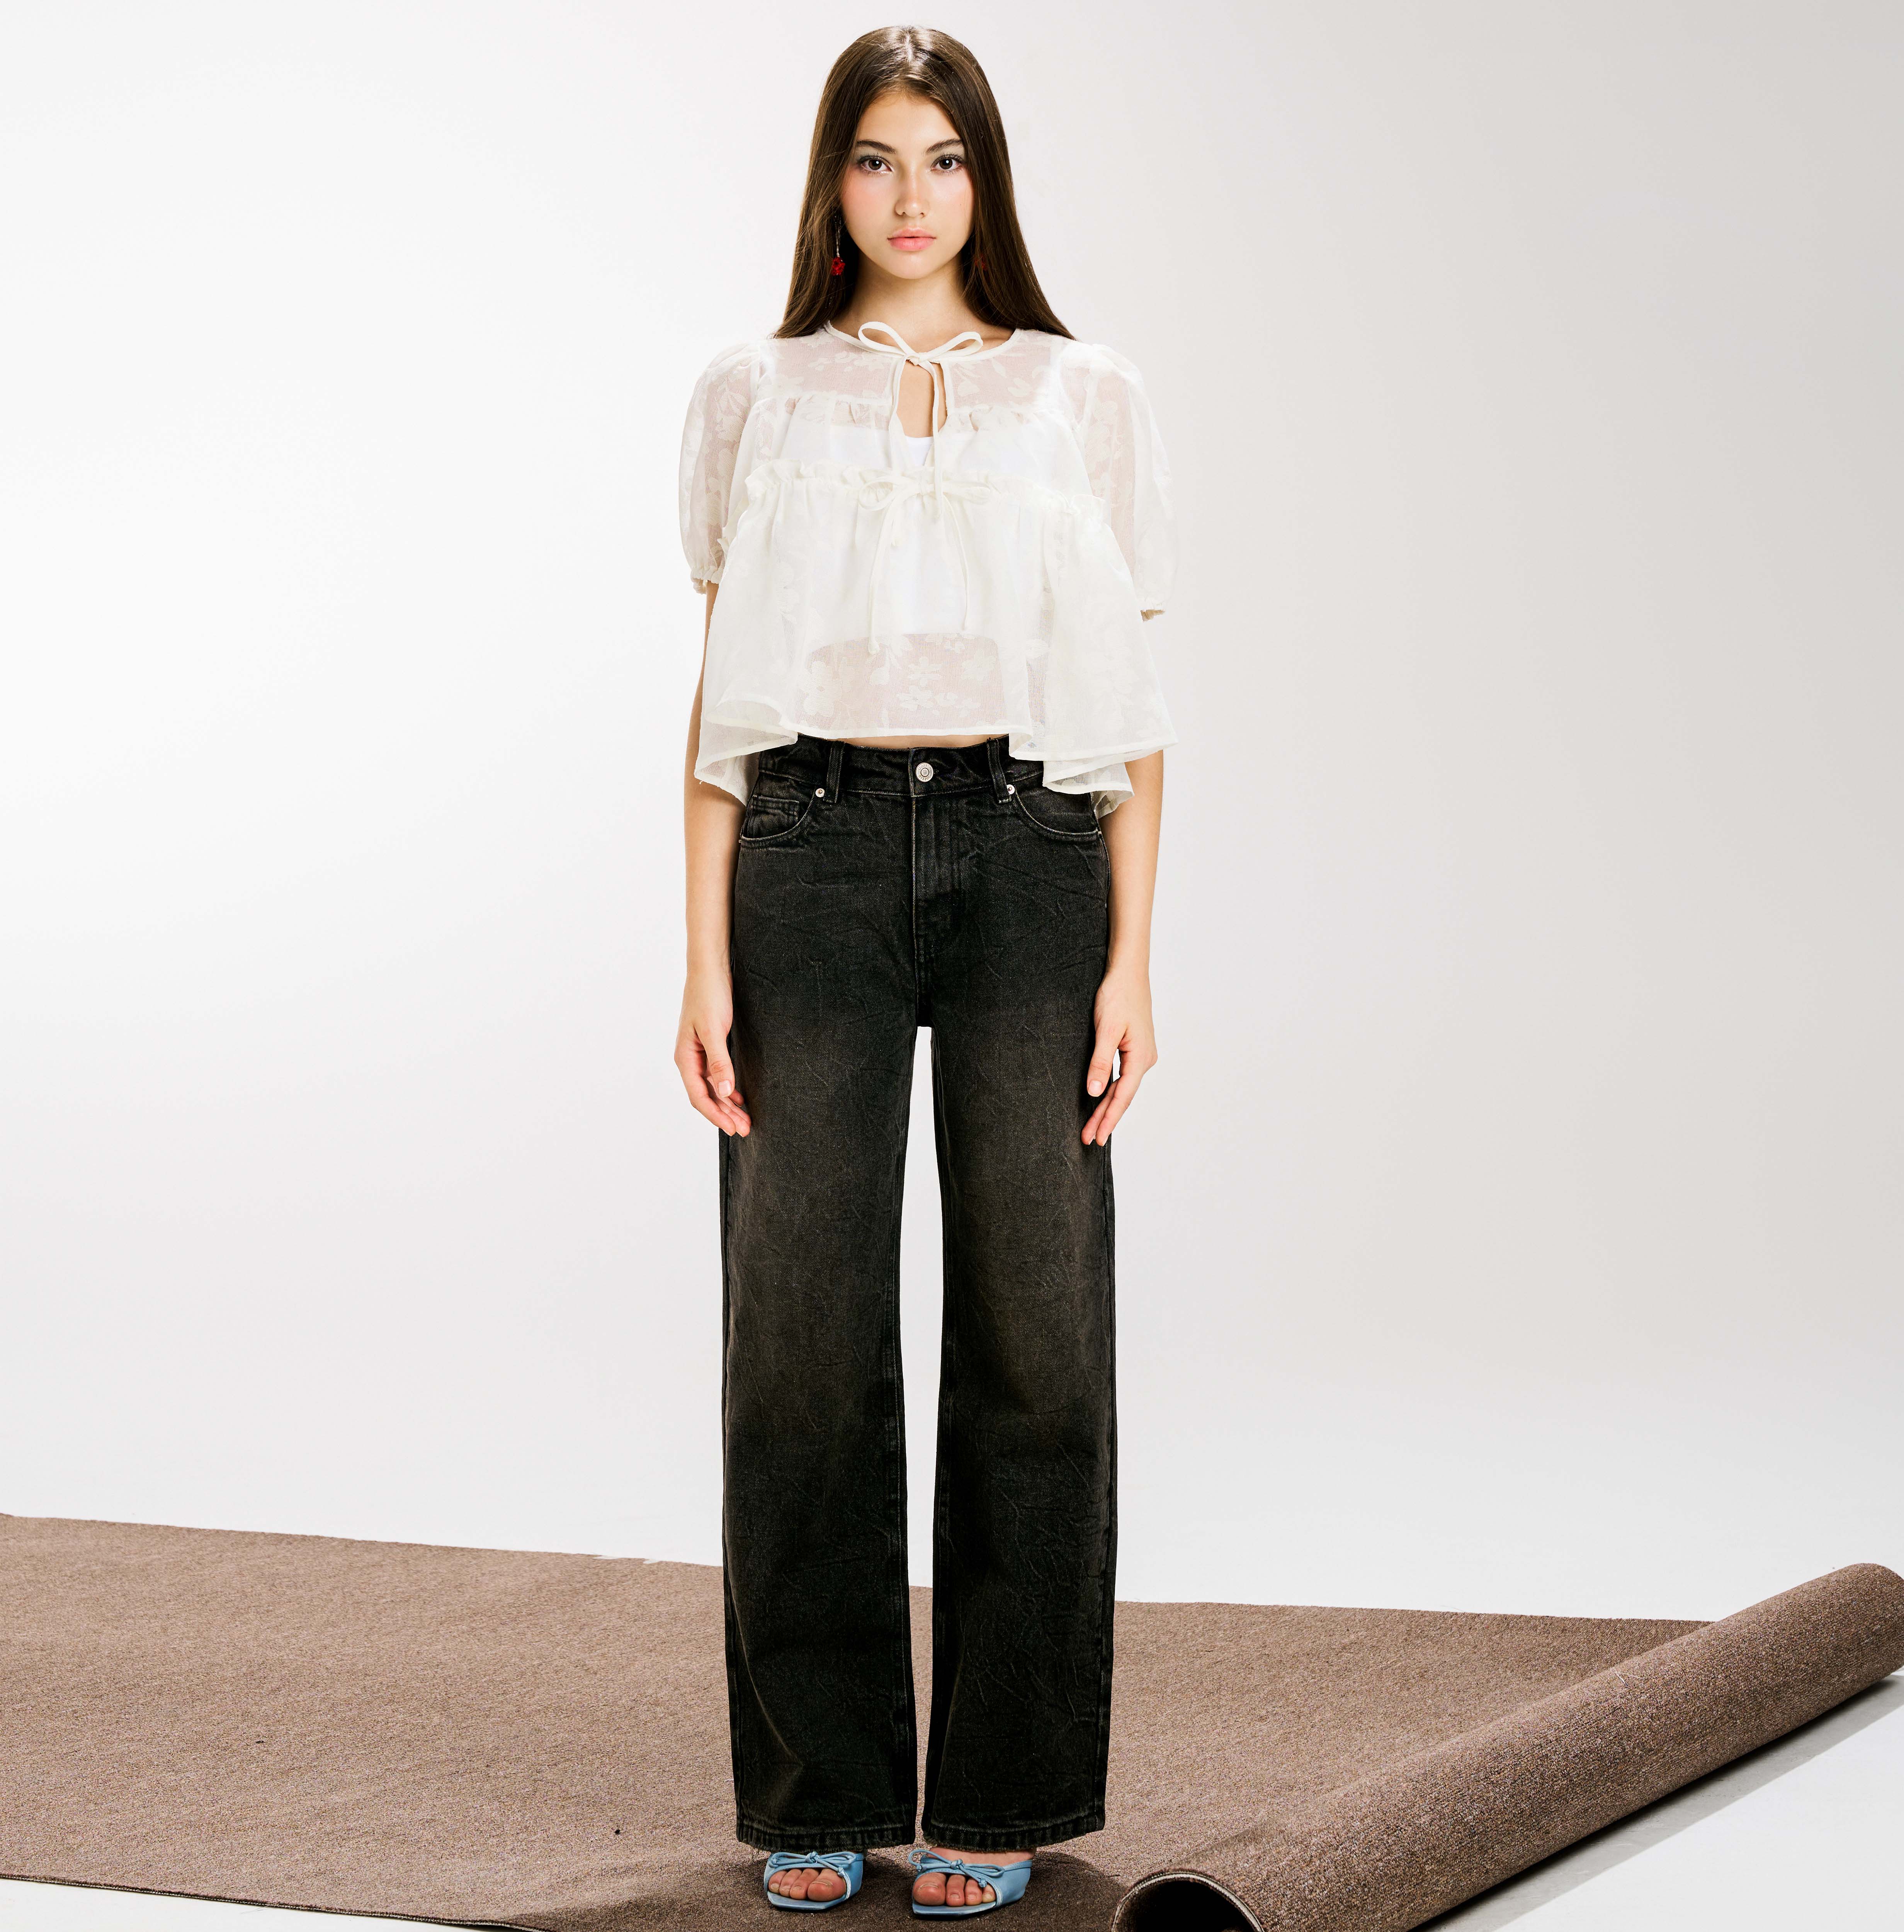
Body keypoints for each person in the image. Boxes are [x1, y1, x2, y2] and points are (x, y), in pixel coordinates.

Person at [673, 25, 1176, 1918]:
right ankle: (818, 1779)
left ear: (987, 181)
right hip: (803, 852)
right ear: (831, 180)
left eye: (944, 159)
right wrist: (698, 952)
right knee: (796, 1329)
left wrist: (1134, 959)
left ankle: (1000, 1784)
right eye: (878, 159)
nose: (911, 197)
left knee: (1036, 1328)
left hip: (1032, 852)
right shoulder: (756, 392)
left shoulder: (1078, 392)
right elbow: (719, 700)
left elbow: (1130, 711)